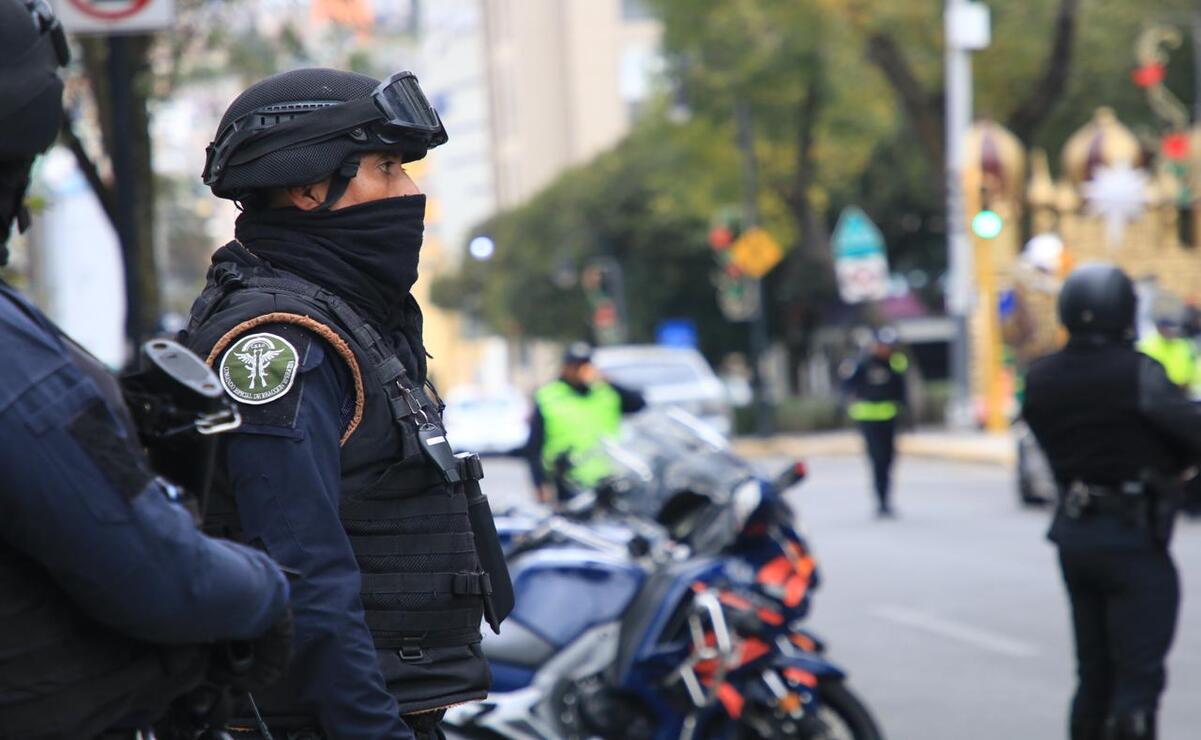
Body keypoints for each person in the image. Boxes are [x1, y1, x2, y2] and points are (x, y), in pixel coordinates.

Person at [181, 67, 505, 739]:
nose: (410, 190)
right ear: (307, 188)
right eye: (386, 168)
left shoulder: (351, 320)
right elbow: (306, 576)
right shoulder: (278, 341)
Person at [0, 2, 292, 737]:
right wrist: (266, 589)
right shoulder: (16, 367)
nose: (408, 189)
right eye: (385, 166)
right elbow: (162, 576)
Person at [1023, 263, 1201, 740]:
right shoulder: (1138, 372)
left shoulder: (1040, 379)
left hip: (1075, 538)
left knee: (1093, 677)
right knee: (1137, 683)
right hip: (1132, 539)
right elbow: (1189, 430)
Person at [525, 342, 645, 503]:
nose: (580, 370)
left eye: (585, 365)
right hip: (567, 481)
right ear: (566, 367)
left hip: (607, 480)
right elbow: (534, 446)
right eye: (576, 366)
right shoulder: (548, 396)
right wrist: (539, 483)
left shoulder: (605, 391)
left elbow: (638, 404)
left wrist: (606, 381)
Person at [842, 327, 909, 517]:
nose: (885, 349)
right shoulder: (862, 363)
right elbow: (847, 386)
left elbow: (902, 390)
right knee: (877, 460)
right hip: (868, 420)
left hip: (889, 420)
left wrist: (907, 416)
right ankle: (881, 502)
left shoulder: (895, 363)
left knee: (888, 460)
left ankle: (887, 500)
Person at [1138, 315, 1199, 393]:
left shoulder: (1185, 345)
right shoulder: (1147, 346)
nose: (1171, 333)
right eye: (1167, 329)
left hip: (1182, 391)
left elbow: (1193, 367)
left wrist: (1188, 382)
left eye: (1173, 330)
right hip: (1156, 391)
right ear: (1159, 329)